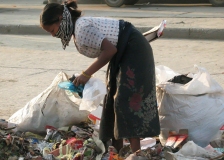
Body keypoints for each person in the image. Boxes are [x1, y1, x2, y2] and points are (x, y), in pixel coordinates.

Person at [40, 0, 160, 153]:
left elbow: (110, 50)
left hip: (133, 50)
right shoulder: (78, 30)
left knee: (126, 101)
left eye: (52, 30)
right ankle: (117, 151)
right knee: (112, 97)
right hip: (123, 52)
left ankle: (137, 154)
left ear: (60, 18)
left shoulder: (81, 28)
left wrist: (86, 74)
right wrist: (84, 76)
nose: (53, 35)